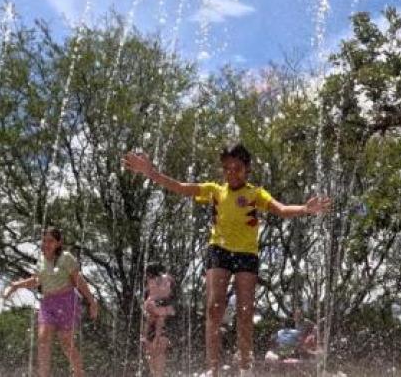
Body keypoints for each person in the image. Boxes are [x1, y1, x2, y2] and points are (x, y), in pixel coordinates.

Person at [123, 144, 331, 376]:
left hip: (246, 255)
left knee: (245, 312)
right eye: (227, 168)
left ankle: (245, 368)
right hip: (219, 251)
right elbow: (181, 188)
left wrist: (304, 208)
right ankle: (212, 369)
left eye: (238, 168)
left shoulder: (255, 194)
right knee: (214, 309)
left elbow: (280, 209)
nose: (232, 173)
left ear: (248, 169)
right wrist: (150, 172)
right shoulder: (214, 190)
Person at [2, 226, 99, 377]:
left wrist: (92, 302)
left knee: (66, 342)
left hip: (66, 302)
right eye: (44, 241)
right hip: (47, 303)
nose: (46, 244)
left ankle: (79, 373)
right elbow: (37, 280)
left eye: (50, 241)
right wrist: (16, 286)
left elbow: (78, 280)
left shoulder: (66, 258)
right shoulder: (41, 260)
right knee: (43, 337)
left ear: (58, 243)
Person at [141, 263, 176, 377]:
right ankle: (156, 374)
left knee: (158, 348)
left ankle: (157, 375)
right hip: (154, 321)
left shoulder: (162, 283)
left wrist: (155, 333)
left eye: (148, 275)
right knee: (152, 351)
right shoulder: (161, 284)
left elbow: (160, 311)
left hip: (160, 320)